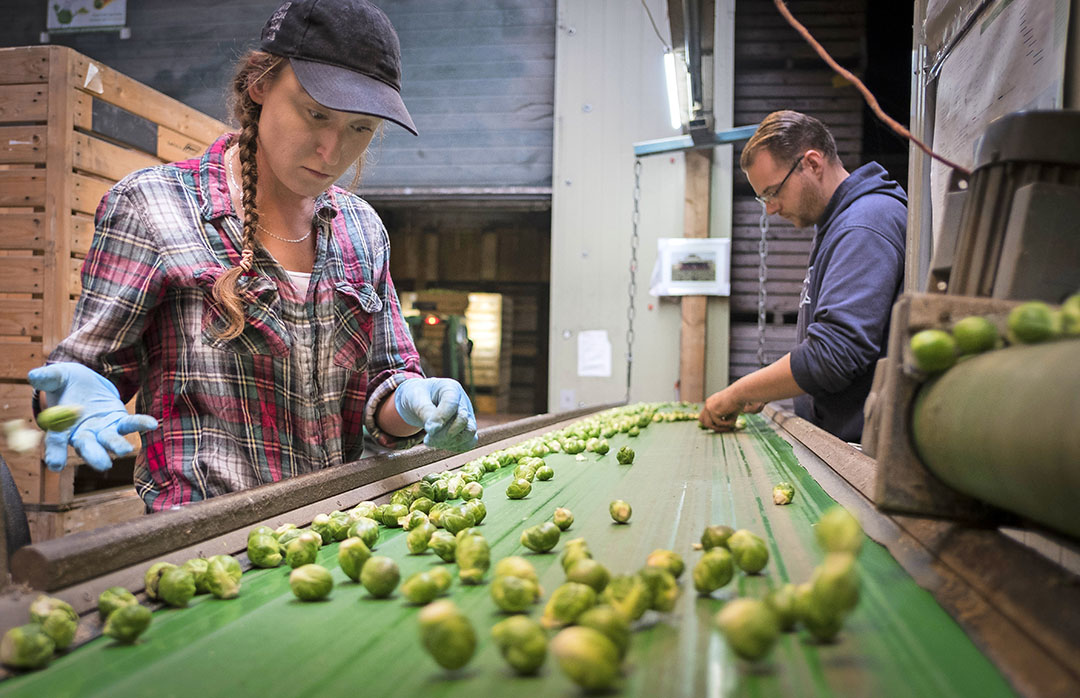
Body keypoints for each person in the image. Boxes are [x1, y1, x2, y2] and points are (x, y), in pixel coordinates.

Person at [27, 0, 477, 511]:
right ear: (260, 84)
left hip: (335, 534)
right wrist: (70, 398)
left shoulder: (362, 229)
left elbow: (384, 388)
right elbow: (82, 377)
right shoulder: (155, 207)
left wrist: (418, 404)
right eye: (316, 113)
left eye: (360, 128)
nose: (332, 150)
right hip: (205, 544)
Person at [700, 110, 906, 442]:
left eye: (773, 191)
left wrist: (737, 392)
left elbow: (834, 354)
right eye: (763, 198)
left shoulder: (864, 224)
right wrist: (767, 387)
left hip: (859, 451)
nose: (770, 208)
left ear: (811, 163)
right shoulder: (839, 224)